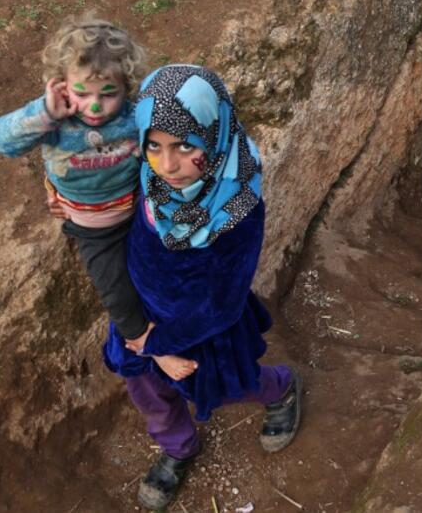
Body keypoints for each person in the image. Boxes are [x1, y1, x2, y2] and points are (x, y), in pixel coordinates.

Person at [104, 64, 302, 511]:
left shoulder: (237, 206)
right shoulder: (147, 177)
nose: (167, 164)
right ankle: (178, 446)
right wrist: (143, 338)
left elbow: (223, 302)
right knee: (149, 394)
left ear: (214, 136)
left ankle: (282, 388)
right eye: (153, 145)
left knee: (231, 385)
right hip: (142, 322)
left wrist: (159, 344)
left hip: (201, 333)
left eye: (184, 146)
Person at [0, 14, 197, 382]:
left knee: (168, 269)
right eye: (81, 93)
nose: (95, 107)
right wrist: (44, 114)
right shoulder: (54, 121)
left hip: (137, 212)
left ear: (126, 86)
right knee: (114, 286)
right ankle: (147, 343)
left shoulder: (134, 116)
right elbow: (0, 142)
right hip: (93, 230)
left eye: (108, 94)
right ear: (61, 85)